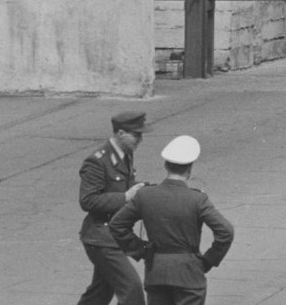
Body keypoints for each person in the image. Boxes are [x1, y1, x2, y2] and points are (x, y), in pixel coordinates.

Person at [109, 135, 234, 305]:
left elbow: (117, 225)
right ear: (189, 169)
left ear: (166, 165)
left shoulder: (145, 195)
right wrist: (208, 261)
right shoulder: (197, 199)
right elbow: (225, 231)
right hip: (189, 274)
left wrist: (142, 249)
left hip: (156, 272)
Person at [76, 111, 151, 305]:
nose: (140, 139)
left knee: (100, 293)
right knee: (132, 289)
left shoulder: (125, 154)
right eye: (136, 135)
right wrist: (126, 197)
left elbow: (126, 185)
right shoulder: (97, 161)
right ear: (120, 133)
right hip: (101, 237)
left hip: (114, 234)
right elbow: (88, 201)